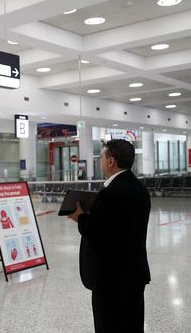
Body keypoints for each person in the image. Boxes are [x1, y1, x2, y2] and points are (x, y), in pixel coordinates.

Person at [68, 139, 151, 332]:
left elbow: (95, 232)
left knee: (109, 325)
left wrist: (80, 217)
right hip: (134, 274)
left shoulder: (110, 193)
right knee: (132, 324)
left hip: (110, 278)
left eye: (101, 157)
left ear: (111, 161)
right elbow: (118, 227)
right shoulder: (141, 190)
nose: (99, 162)